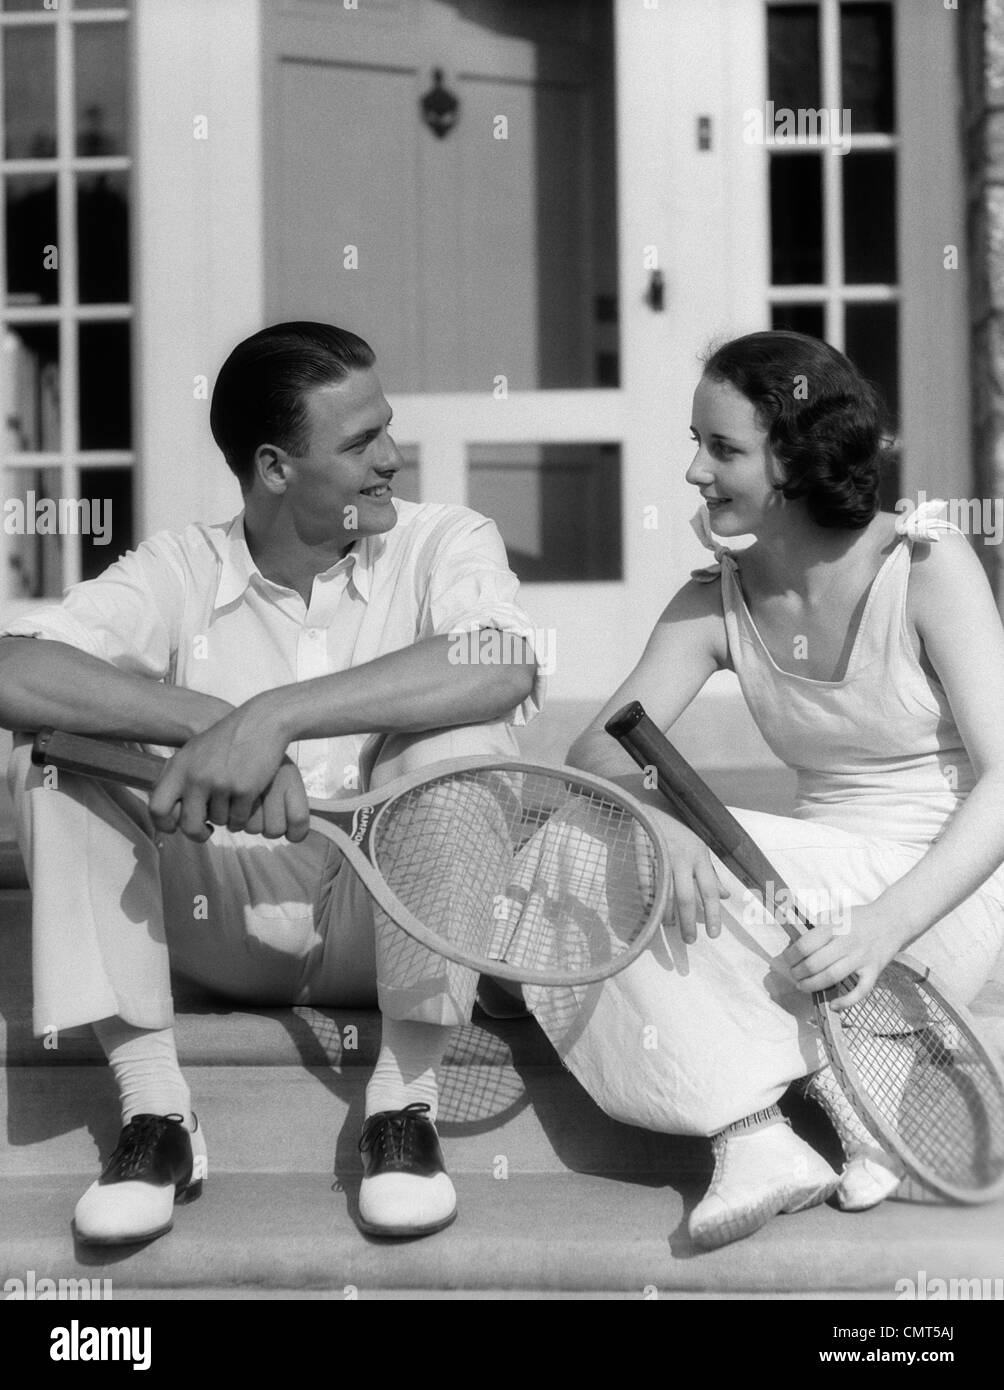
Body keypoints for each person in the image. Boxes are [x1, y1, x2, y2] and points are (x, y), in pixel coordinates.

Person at [0, 321, 541, 1245]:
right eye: (361, 442)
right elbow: (15, 670)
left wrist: (274, 717)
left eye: (388, 429)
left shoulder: (446, 538)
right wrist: (207, 726)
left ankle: (402, 1109)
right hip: (220, 914)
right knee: (54, 751)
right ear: (275, 468)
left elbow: (501, 664)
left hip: (386, 915)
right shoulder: (180, 566)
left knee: (461, 744)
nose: (394, 457)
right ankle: (155, 1116)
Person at [523, 330, 1004, 1250]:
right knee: (573, 840)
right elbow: (595, 747)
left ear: (797, 457)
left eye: (724, 449)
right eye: (696, 442)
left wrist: (886, 924)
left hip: (935, 903)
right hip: (803, 903)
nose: (696, 472)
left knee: (598, 846)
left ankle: (831, 1069)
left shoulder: (927, 564)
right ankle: (755, 1135)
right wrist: (662, 824)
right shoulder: (717, 599)